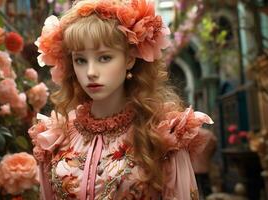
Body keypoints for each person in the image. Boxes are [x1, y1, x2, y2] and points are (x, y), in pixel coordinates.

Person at [28, 0, 214, 199]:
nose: (90, 72)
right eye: (80, 60)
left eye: (104, 57)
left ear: (129, 59)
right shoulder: (56, 137)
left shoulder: (162, 135)